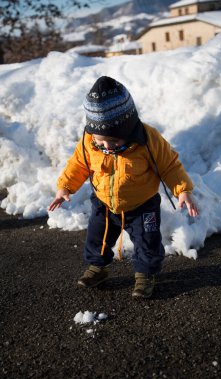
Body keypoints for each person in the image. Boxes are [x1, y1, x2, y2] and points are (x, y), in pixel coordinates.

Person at [48, 76, 199, 299]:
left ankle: (145, 275)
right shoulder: (89, 141)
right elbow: (78, 164)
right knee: (96, 239)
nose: (107, 146)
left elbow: (169, 165)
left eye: (114, 141)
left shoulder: (148, 140)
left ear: (127, 128)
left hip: (142, 206)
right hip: (104, 204)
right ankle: (97, 268)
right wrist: (65, 187)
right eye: (101, 141)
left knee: (147, 242)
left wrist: (183, 190)